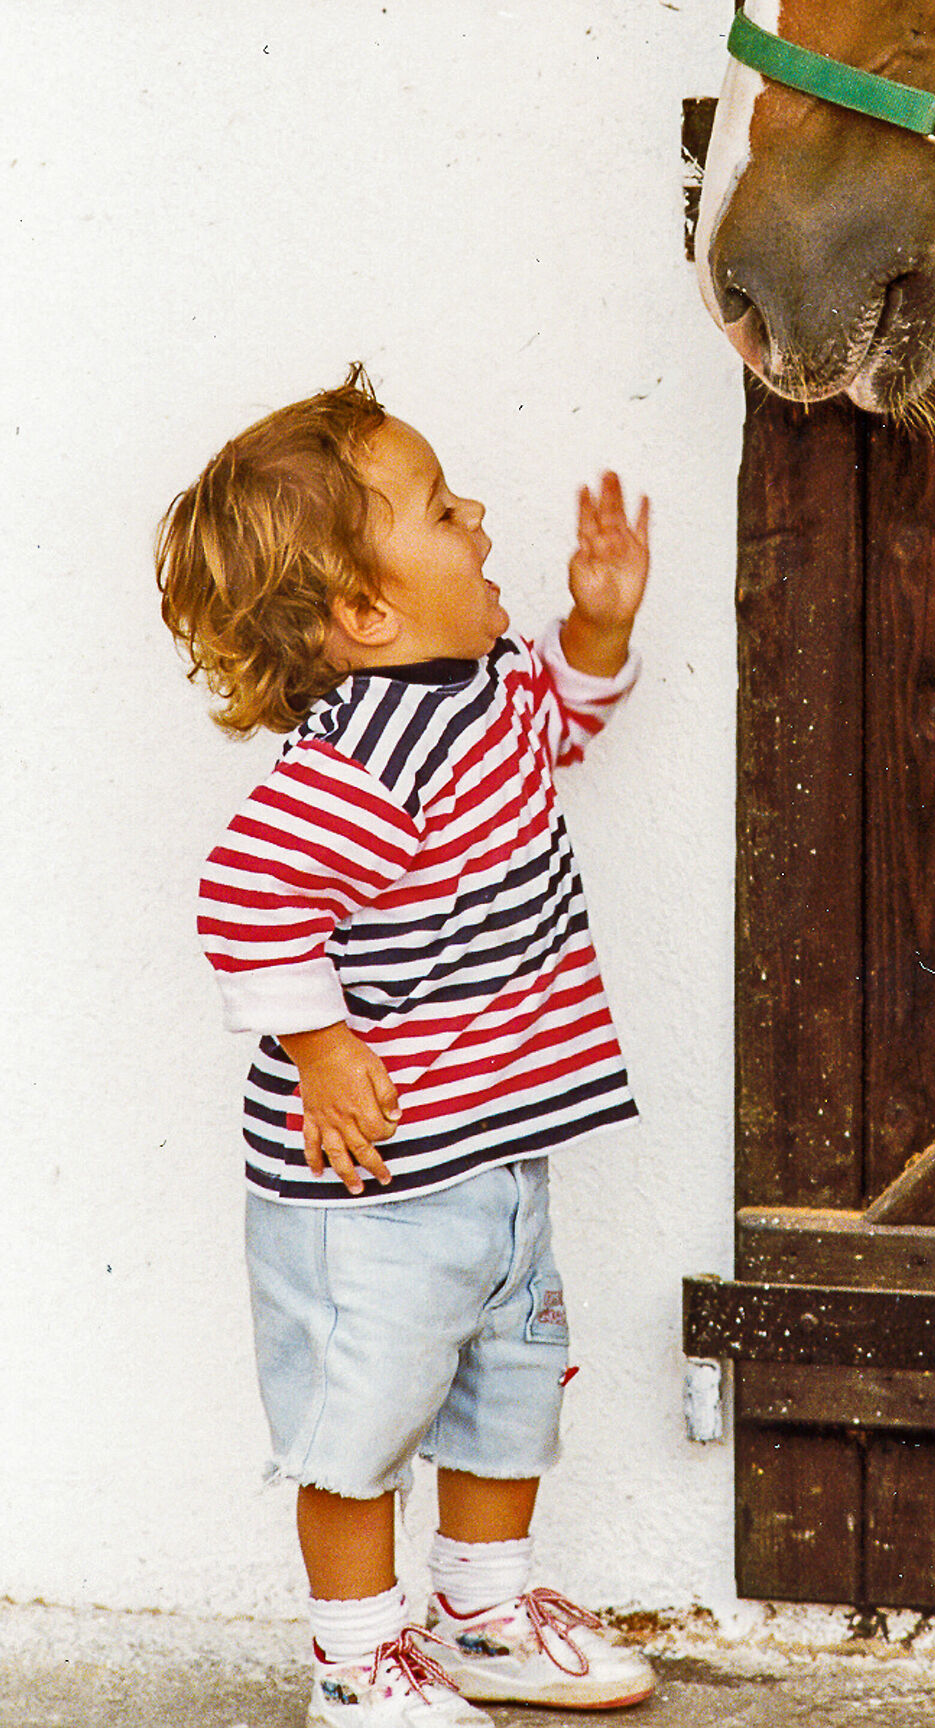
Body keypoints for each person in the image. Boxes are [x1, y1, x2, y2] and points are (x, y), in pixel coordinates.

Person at [156, 365, 655, 1722]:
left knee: (511, 1389)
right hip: (369, 1185)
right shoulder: (360, 761)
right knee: (360, 1426)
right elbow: (246, 899)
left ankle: (484, 1616)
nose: (478, 515)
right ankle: (354, 1658)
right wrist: (319, 1051)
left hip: (493, 1157)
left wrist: (595, 637)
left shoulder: (486, 687)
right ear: (365, 614)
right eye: (442, 513)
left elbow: (559, 730)